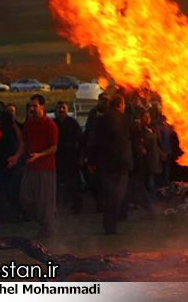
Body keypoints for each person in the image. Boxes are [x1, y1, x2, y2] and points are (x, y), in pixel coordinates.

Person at [7, 94, 58, 238]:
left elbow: (54, 147)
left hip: (46, 168)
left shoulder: (50, 125)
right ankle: (43, 222)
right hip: (31, 168)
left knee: (45, 201)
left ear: (42, 107)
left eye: (35, 106)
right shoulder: (29, 124)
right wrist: (16, 157)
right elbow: (24, 143)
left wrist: (39, 155)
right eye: (30, 106)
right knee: (25, 197)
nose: (32, 109)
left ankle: (47, 228)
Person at [89, 94, 134, 235]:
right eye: (124, 105)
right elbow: (137, 136)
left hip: (105, 163)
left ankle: (107, 225)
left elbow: (93, 141)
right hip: (121, 164)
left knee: (108, 194)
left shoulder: (100, 120)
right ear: (120, 105)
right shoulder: (127, 119)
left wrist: (91, 160)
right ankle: (111, 227)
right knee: (116, 195)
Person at [54, 101, 83, 215]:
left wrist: (81, 155)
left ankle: (77, 205)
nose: (61, 110)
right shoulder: (54, 124)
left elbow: (80, 140)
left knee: (73, 182)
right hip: (58, 156)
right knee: (58, 182)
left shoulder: (72, 123)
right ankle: (59, 205)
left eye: (63, 108)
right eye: (59, 108)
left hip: (71, 156)